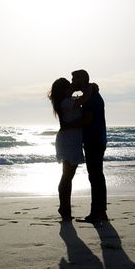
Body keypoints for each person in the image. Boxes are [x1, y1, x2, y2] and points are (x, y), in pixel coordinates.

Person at [48, 78, 94, 221]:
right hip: (68, 141)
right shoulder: (65, 102)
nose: (72, 88)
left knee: (68, 175)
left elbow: (80, 99)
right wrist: (90, 87)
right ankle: (64, 207)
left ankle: (65, 207)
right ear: (63, 90)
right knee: (67, 176)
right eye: (68, 87)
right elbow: (85, 98)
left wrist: (74, 88)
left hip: (71, 139)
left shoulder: (67, 100)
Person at [69, 69, 108, 223]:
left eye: (74, 79)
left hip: (94, 139)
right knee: (96, 176)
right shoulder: (90, 94)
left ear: (82, 79)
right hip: (96, 139)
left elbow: (87, 119)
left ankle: (98, 212)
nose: (72, 82)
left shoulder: (91, 97)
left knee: (95, 176)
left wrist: (68, 125)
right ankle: (99, 211)